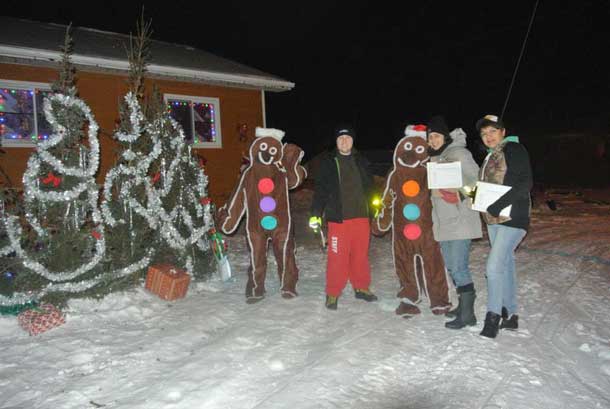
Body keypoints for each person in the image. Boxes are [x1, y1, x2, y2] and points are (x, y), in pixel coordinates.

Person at [309, 126, 378, 310]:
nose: (344, 141)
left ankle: (361, 287)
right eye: (341, 139)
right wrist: (316, 213)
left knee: (360, 255)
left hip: (362, 218)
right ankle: (333, 292)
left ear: (353, 141)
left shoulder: (361, 161)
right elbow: (321, 191)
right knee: (337, 257)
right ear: (336, 142)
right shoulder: (329, 163)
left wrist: (376, 208)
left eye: (347, 138)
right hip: (338, 220)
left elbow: (371, 188)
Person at [476, 115, 533, 339]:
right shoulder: (491, 156)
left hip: (513, 217)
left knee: (493, 267)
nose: (488, 137)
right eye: (484, 134)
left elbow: (525, 183)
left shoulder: (514, 149)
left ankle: (493, 317)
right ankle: (511, 315)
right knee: (505, 264)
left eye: (492, 131)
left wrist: (496, 204)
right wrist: (471, 194)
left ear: (502, 131)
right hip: (494, 218)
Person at [426, 116, 482, 329]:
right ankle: (463, 307)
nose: (433, 140)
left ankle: (468, 315)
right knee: (452, 266)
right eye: (430, 137)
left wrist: (460, 195)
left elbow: (477, 183)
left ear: (446, 136)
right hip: (444, 223)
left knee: (459, 267)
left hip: (460, 220)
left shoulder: (458, 153)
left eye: (437, 136)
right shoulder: (437, 158)